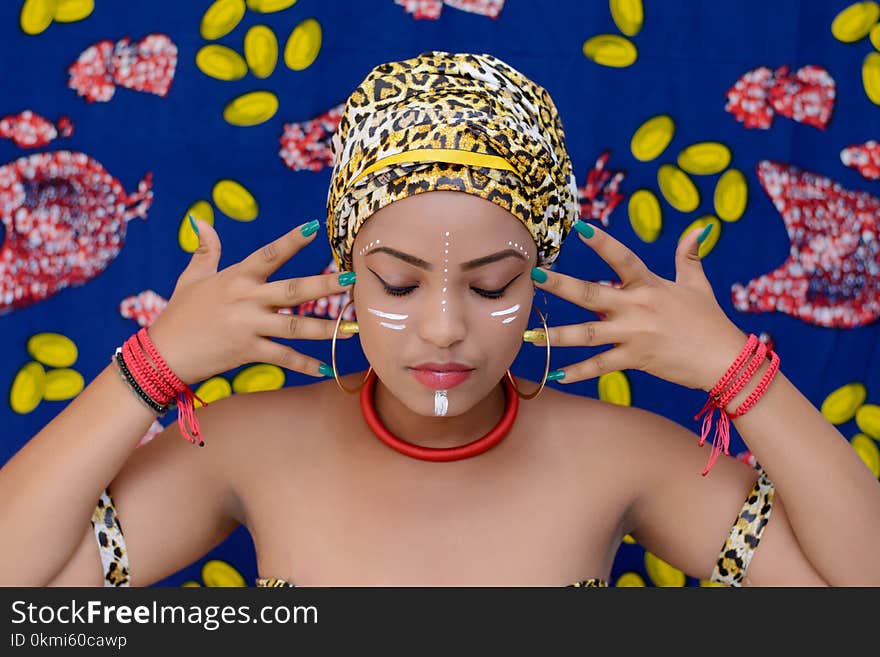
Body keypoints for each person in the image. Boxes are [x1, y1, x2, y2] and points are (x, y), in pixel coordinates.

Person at [1, 51, 878, 588]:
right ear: (344, 271)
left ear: (539, 278)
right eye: (399, 282)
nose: (447, 329)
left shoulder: (625, 455)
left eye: (494, 284)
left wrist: (739, 372)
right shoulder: (241, 448)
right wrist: (151, 366)